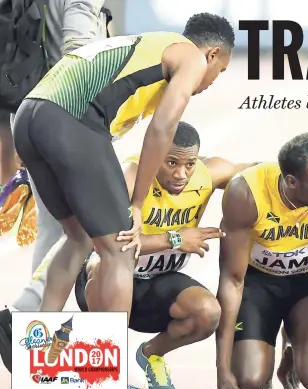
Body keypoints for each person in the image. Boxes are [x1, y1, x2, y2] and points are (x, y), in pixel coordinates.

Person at [10, 13, 235, 329]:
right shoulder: (191, 56)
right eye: (220, 71)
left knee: (77, 238)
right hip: (70, 117)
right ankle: (110, 369)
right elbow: (162, 129)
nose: (211, 82)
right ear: (211, 54)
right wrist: (139, 204)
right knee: (121, 248)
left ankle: (37, 345)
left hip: (29, 115)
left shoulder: (148, 45)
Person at [72, 121, 254, 389]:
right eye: (170, 163)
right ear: (153, 156)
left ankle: (151, 354)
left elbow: (263, 174)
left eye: (189, 164)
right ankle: (105, 380)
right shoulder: (130, 177)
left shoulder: (207, 174)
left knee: (208, 312)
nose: (181, 174)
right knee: (102, 266)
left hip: (158, 282)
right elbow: (109, 245)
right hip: (109, 280)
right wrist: (176, 239)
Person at [0, 0, 110, 374]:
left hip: (37, 112)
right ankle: (21, 318)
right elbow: (79, 57)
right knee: (94, 232)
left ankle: (30, 328)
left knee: (58, 234)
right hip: (67, 117)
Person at [211, 133, 308, 389]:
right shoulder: (246, 192)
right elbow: (232, 281)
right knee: (247, 383)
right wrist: (223, 375)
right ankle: (271, 342)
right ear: (292, 182)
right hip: (258, 284)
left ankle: (295, 343)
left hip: (307, 284)